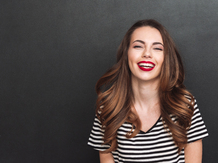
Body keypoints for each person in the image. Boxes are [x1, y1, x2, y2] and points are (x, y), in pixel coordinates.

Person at [88, 19, 208, 163]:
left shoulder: (184, 105)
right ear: (126, 54)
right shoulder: (108, 108)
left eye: (157, 48)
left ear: (166, 58)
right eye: (138, 46)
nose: (147, 54)